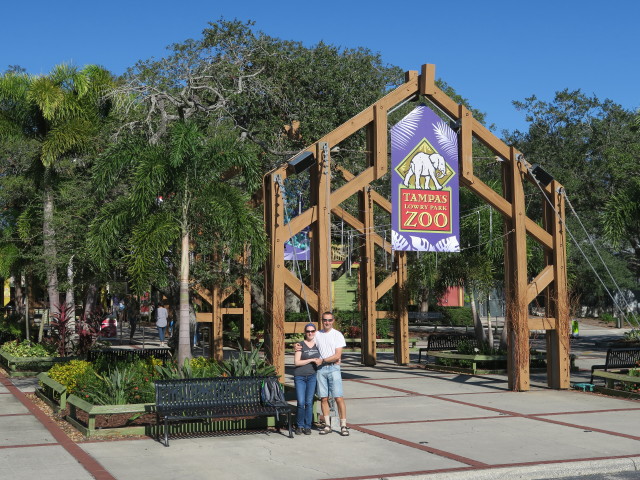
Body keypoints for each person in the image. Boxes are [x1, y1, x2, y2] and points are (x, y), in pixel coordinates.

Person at [314, 312, 349, 436]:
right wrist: (297, 346)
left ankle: (343, 425)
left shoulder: (337, 335)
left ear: (333, 321)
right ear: (322, 320)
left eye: (329, 320)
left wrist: (323, 359)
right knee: (323, 398)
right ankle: (327, 425)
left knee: (338, 397)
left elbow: (337, 355)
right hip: (321, 370)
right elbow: (308, 344)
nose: (327, 322)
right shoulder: (317, 334)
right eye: (325, 320)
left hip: (334, 368)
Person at [293, 323, 322, 435]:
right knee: (301, 402)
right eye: (308, 331)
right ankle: (299, 425)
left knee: (309, 402)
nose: (310, 333)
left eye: (312, 331)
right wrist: (311, 360)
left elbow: (324, 356)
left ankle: (307, 425)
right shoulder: (300, 345)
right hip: (300, 376)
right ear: (305, 332)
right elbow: (296, 362)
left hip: (312, 376)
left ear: (315, 332)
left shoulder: (318, 345)